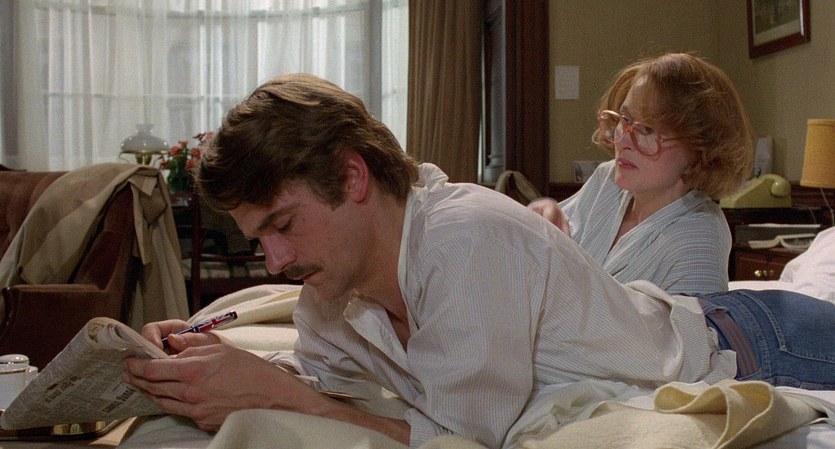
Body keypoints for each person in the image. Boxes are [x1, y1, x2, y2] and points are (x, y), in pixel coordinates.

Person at [122, 72, 835, 449]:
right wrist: (212, 361)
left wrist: (282, 398)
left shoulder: (462, 241)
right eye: (259, 240)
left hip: (753, 342)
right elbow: (328, 383)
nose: (275, 260)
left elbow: (461, 439)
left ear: (352, 176)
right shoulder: (330, 295)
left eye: (282, 225)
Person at [529, 53, 753, 295]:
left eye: (646, 129)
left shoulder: (701, 237)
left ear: (699, 152)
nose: (622, 139)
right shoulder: (607, 181)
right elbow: (549, 243)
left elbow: (682, 324)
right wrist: (539, 215)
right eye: (625, 119)